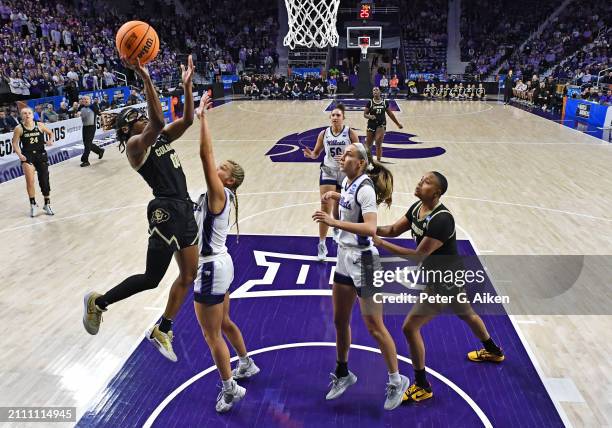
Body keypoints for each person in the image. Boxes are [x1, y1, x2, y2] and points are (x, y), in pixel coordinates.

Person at [83, 56, 198, 363]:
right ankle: (99, 302)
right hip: (165, 210)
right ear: (128, 127)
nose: (144, 120)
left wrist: (187, 86)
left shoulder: (159, 135)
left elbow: (187, 120)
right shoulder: (136, 146)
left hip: (184, 207)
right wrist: (146, 78)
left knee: (189, 274)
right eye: (138, 119)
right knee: (152, 278)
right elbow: (158, 121)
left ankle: (163, 328)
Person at [373, 172, 505, 403]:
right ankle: (493, 350)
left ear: (436, 192)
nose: (419, 183)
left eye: (426, 182)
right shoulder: (417, 208)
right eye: (421, 179)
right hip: (449, 274)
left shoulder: (442, 220)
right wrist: (369, 228)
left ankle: (422, 385)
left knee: (409, 328)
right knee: (465, 313)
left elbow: (418, 256)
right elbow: (394, 230)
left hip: (443, 280)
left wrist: (381, 244)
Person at [312, 143, 409, 410]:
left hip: (365, 261)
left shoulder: (366, 188)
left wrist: (333, 222)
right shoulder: (348, 182)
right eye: (343, 153)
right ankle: (343, 373)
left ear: (361, 163)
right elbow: (346, 201)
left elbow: (369, 228)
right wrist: (334, 196)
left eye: (349, 154)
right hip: (344, 257)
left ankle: (396, 379)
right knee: (339, 320)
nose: (343, 156)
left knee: (375, 327)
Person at [193, 93, 259, 413]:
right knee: (225, 321)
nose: (216, 169)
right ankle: (245, 363)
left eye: (222, 168)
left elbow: (205, 155)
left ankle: (229, 387)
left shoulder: (219, 192)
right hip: (221, 264)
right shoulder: (222, 195)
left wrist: (203, 118)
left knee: (211, 334)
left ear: (229, 179)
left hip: (209, 268)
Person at [302, 103, 359, 260]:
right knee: (325, 205)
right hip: (328, 170)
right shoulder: (324, 134)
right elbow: (316, 153)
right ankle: (321, 243)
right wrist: (311, 155)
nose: (335, 117)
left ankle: (336, 227)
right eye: (332, 115)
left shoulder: (350, 133)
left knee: (342, 205)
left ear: (343, 117)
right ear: (330, 117)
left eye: (338, 115)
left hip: (345, 172)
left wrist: (349, 158)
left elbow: (360, 153)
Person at [11, 107, 55, 217]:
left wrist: (50, 140)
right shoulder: (19, 128)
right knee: (30, 181)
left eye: (29, 113)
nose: (27, 115)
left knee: (44, 179)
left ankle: (47, 204)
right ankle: (33, 204)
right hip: (28, 157)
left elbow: (51, 133)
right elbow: (15, 143)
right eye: (25, 113)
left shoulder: (39, 125)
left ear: (32, 114)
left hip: (41, 155)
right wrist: (20, 155)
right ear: (21, 116)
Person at [364, 87, 403, 162]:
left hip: (381, 124)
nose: (375, 91)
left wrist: (397, 124)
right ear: (372, 93)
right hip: (371, 124)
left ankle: (378, 161)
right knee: (368, 145)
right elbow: (365, 114)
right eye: (373, 90)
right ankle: (369, 161)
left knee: (378, 142)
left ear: (380, 92)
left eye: (376, 90)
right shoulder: (370, 102)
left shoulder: (385, 102)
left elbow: (390, 114)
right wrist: (370, 116)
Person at [78, 95, 104, 167]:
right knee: (86, 143)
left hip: (91, 127)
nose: (85, 100)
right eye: (84, 99)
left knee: (87, 144)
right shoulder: (81, 107)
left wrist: (103, 123)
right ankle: (99, 151)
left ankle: (85, 160)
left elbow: (101, 114)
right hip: (84, 127)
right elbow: (79, 114)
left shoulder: (93, 107)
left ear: (90, 100)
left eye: (87, 99)